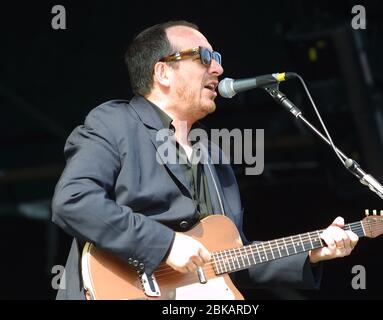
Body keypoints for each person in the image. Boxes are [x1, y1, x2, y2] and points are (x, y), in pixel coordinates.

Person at [51, 20, 359, 300]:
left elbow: (229, 257)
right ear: (163, 72)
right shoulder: (115, 122)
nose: (217, 70)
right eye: (204, 57)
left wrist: (311, 252)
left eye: (218, 59)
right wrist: (165, 245)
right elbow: (74, 201)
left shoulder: (213, 152)